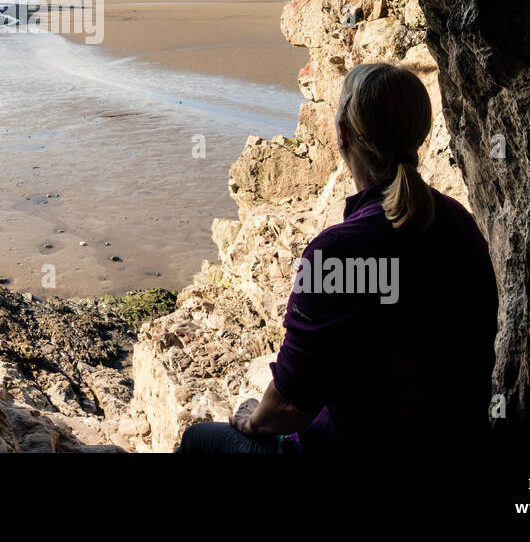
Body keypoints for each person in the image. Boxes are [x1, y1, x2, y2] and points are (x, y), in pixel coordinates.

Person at [178, 61, 498, 453]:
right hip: (456, 438)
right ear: (421, 134)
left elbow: (291, 405)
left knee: (198, 440)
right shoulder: (459, 223)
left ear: (343, 134)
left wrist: (253, 419)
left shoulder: (340, 252)